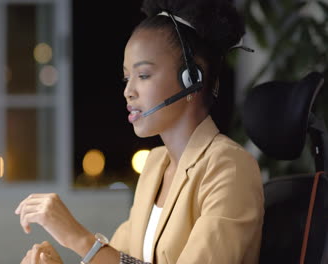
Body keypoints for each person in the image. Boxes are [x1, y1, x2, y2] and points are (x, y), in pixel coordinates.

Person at [15, 0, 264, 263]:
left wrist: (78, 238)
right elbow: (122, 258)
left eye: (143, 75)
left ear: (192, 79)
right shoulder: (155, 166)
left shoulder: (229, 167)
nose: (128, 91)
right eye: (126, 78)